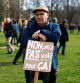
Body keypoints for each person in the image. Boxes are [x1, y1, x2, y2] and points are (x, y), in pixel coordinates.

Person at [21, 5, 61, 83]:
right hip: (32, 65)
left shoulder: (54, 26)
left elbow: (55, 38)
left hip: (50, 64)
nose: (39, 16)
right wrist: (36, 37)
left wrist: (42, 31)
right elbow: (23, 41)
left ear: (47, 15)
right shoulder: (30, 27)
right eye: (37, 14)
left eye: (42, 14)